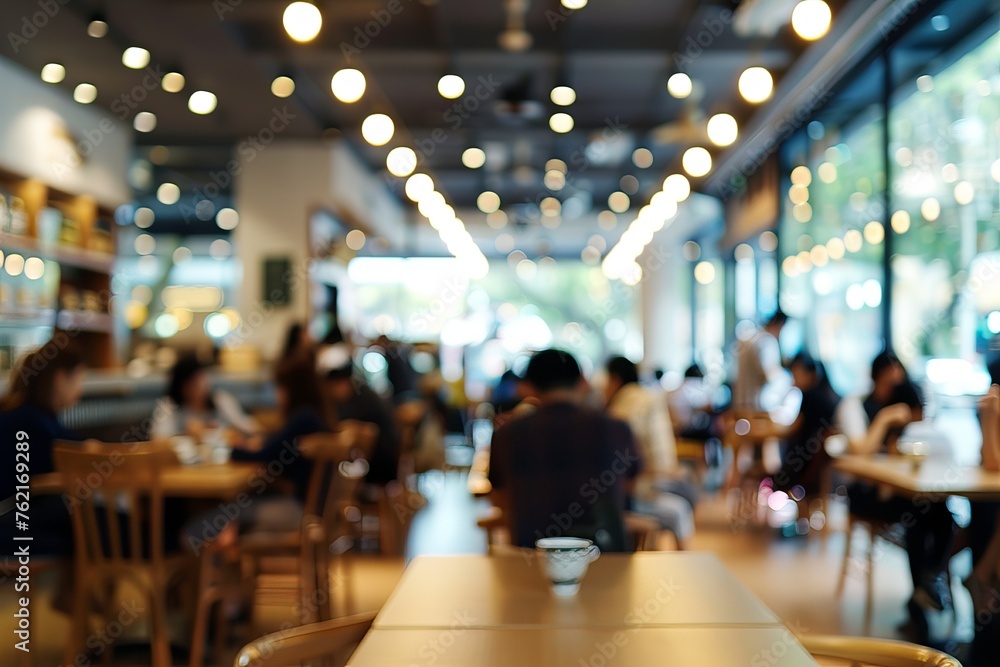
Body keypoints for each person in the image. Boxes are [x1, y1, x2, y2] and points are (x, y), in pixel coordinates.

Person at [488, 349, 641, 552]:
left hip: (533, 560)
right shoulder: (616, 429)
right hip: (606, 558)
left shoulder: (506, 434)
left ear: (529, 387)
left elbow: (498, 494)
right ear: (582, 381)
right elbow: (631, 483)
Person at [843, 352, 957, 624]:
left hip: (902, 492)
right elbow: (860, 452)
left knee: (941, 511)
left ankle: (927, 582)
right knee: (918, 513)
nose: (894, 382)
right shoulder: (855, 405)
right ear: (875, 377)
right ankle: (922, 597)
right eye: (887, 377)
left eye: (898, 377)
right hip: (866, 493)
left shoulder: (905, 410)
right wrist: (884, 419)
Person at [0, 338, 85, 555]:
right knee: (90, 528)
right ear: (60, 379)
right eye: (78, 379)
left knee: (86, 522)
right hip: (9, 523)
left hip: (14, 517)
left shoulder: (27, 415)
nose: (80, 389)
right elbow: (76, 454)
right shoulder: (31, 421)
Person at [604, 356, 696, 548]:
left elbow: (620, 449)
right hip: (655, 481)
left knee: (678, 507)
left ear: (614, 379)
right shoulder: (647, 395)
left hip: (643, 486)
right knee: (681, 506)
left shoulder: (625, 403)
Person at [319, 344, 401, 487]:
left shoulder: (361, 400)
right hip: (385, 462)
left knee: (325, 474)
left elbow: (339, 427)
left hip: (379, 466)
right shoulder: (362, 391)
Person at [771, 352, 840, 496]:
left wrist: (772, 429)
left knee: (775, 478)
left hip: (806, 462)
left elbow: (794, 428)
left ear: (810, 374)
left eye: (796, 374)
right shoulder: (830, 394)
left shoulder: (810, 395)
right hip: (823, 462)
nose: (793, 380)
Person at [150, 354, 259, 440]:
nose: (202, 386)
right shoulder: (169, 406)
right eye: (194, 383)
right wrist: (188, 434)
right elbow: (158, 439)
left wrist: (225, 432)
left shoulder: (220, 400)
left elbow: (248, 427)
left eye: (203, 380)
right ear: (182, 386)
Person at [733, 310, 787, 411]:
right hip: (758, 407)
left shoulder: (747, 338)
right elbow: (770, 373)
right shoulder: (767, 341)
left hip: (740, 403)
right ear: (780, 325)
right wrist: (787, 379)